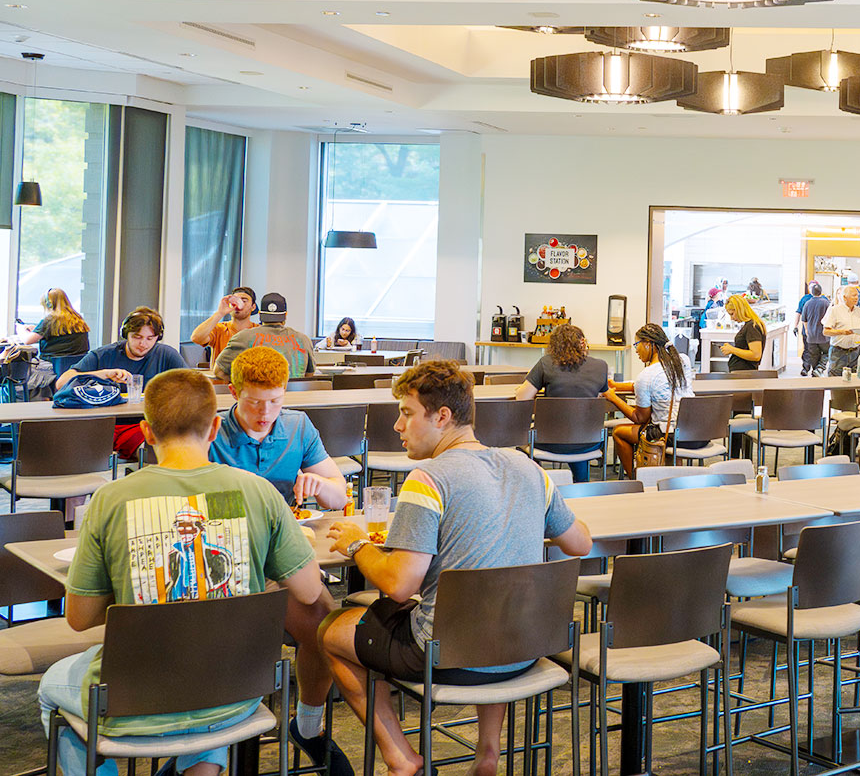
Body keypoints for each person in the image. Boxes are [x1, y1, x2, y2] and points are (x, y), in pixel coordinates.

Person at [43, 369, 344, 776]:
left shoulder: (109, 500)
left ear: (146, 432)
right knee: (207, 673)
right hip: (235, 693)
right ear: (216, 426)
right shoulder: (258, 493)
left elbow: (79, 619)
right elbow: (309, 593)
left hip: (133, 697)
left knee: (50, 689)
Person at [320, 361, 592, 776]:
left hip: (449, 657)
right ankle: (487, 753)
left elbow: (399, 584)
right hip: (525, 647)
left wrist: (355, 545)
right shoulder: (530, 469)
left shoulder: (428, 479)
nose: (397, 426)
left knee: (331, 630)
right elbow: (580, 543)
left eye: (406, 413)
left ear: (442, 417)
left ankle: (400, 757)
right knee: (497, 596)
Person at [210, 346, 349, 509]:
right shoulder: (210, 431)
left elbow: (340, 499)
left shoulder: (298, 426)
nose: (265, 412)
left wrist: (320, 484)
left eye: (275, 401)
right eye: (255, 402)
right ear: (234, 392)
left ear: (284, 390)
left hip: (283, 527)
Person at [58, 307, 187, 460]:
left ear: (157, 338)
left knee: (167, 450)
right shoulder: (104, 354)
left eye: (150, 338)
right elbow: (62, 382)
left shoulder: (166, 355)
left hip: (144, 425)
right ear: (126, 334)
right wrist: (103, 374)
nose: (143, 344)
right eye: (137, 337)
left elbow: (191, 386)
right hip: (104, 425)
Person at [512, 324, 609, 481]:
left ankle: (544, 482)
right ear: (583, 342)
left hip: (550, 442)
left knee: (521, 441)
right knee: (577, 432)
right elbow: (595, 397)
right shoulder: (601, 366)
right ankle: (581, 484)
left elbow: (522, 398)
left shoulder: (546, 363)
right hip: (589, 442)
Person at [606, 323, 695, 479]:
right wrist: (616, 385)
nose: (636, 350)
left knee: (619, 432)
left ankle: (635, 478)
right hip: (694, 431)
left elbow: (640, 418)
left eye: (637, 344)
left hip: (670, 435)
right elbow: (654, 384)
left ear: (648, 344)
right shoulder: (683, 361)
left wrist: (613, 398)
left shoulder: (646, 375)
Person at [214, 293, 316, 381]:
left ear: (259, 314)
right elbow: (309, 375)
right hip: (296, 399)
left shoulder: (243, 337)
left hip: (258, 400)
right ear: (285, 315)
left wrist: (247, 385)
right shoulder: (303, 340)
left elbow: (219, 371)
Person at [9, 288, 90, 377]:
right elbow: (61, 334)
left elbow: (27, 340)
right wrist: (37, 329)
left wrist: (21, 329)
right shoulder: (77, 318)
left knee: (16, 368)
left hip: (53, 366)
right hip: (76, 366)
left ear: (49, 304)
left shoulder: (50, 320)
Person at [190, 286, 258, 361]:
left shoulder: (259, 331)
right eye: (235, 301)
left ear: (253, 307)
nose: (239, 304)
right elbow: (196, 338)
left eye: (244, 301)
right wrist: (220, 313)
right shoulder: (219, 329)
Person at [822, 285, 860, 376]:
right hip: (838, 352)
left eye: (857, 295)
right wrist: (843, 332)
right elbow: (826, 331)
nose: (856, 298)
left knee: (854, 380)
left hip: (856, 352)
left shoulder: (859, 311)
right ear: (844, 297)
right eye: (853, 295)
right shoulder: (835, 310)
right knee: (835, 379)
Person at [720, 294, 767, 372]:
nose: (732, 318)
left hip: (744, 373)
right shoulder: (750, 324)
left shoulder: (752, 326)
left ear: (739, 309)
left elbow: (756, 355)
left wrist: (732, 349)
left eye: (732, 314)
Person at [798, 283, 829, 376]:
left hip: (811, 336)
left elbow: (804, 320)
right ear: (821, 292)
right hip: (823, 335)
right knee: (827, 352)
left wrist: (807, 331)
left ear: (811, 292)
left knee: (813, 355)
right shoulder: (826, 303)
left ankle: (815, 371)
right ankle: (820, 368)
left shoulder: (807, 303)